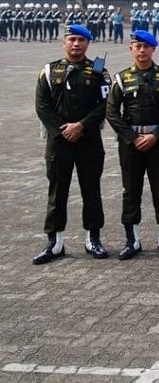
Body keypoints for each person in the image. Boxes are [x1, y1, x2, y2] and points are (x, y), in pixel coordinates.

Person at [32, 24, 112, 263]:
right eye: (72, 39)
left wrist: (81, 126)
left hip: (88, 140)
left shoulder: (99, 71)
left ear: (88, 43)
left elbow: (105, 105)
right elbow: (42, 106)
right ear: (63, 43)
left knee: (91, 190)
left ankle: (93, 238)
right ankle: (55, 242)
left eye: (81, 40)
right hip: (59, 141)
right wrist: (63, 130)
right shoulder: (49, 71)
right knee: (57, 192)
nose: (76, 44)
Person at [105, 30, 159, 260]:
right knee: (131, 191)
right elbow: (112, 112)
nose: (142, 50)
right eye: (138, 46)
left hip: (158, 142)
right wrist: (132, 137)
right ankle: (132, 239)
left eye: (146, 47)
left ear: (153, 49)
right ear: (131, 49)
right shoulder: (121, 78)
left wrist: (156, 135)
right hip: (131, 143)